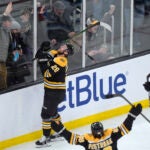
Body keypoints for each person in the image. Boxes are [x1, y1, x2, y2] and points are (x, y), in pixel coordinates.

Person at [51, 103, 142, 150]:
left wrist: (61, 130)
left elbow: (71, 138)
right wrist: (131, 116)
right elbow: (126, 128)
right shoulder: (110, 133)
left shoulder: (87, 138)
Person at [34, 41, 74, 148]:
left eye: (64, 47)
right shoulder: (57, 54)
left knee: (46, 115)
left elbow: (47, 74)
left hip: (54, 93)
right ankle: (58, 133)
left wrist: (43, 61)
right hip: (53, 92)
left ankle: (45, 138)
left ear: (66, 52)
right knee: (53, 113)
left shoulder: (61, 60)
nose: (61, 46)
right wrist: (42, 49)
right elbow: (42, 55)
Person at [0, 2, 14, 90]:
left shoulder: (7, 32)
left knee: (3, 84)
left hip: (3, 61)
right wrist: (5, 13)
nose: (10, 23)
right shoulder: (1, 29)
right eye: (8, 21)